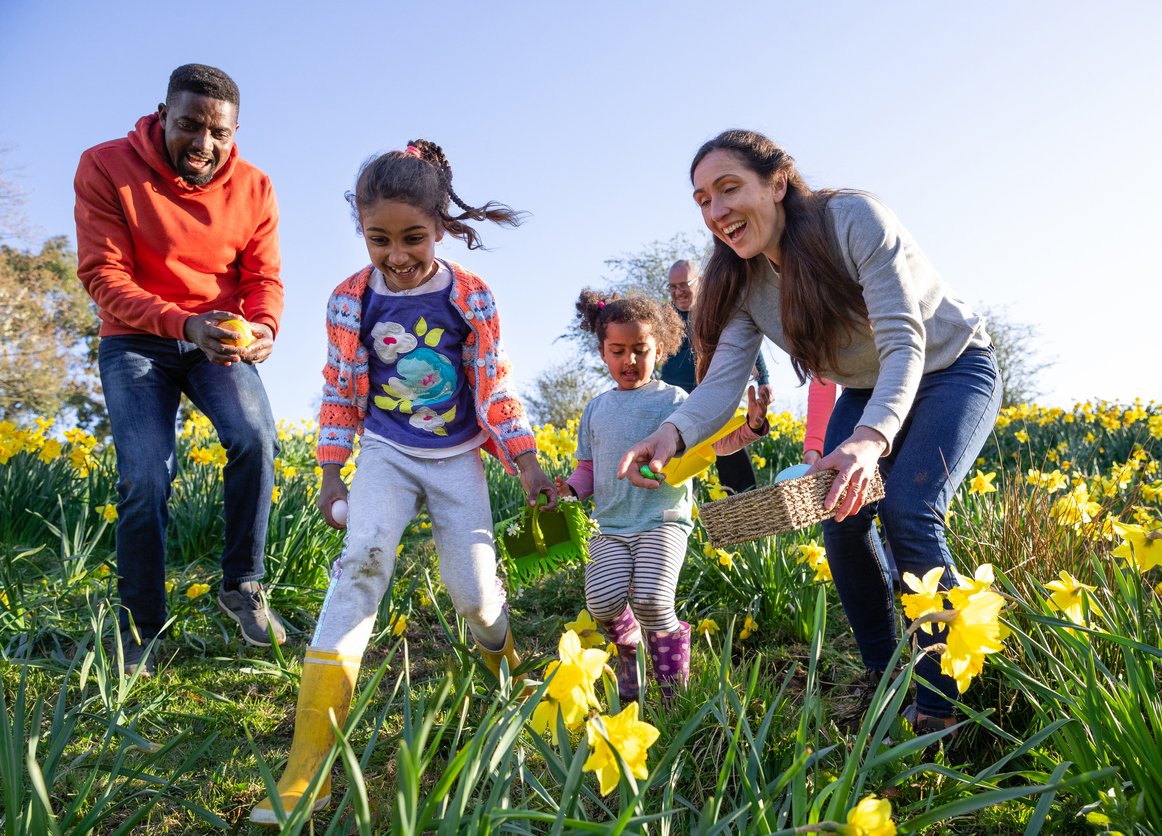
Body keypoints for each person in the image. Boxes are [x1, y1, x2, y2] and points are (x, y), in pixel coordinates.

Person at [618, 130, 1002, 735]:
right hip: (865, 389)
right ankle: (884, 677)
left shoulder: (853, 220)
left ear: (776, 182)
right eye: (702, 201)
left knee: (909, 509)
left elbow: (905, 342)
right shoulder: (741, 280)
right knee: (842, 521)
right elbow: (721, 387)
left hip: (950, 368)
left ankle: (942, 706)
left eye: (727, 189)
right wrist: (672, 434)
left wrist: (869, 440)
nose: (716, 212)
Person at [250, 139, 558, 825]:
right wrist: (333, 476)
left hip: (458, 457)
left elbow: (494, 383)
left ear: (441, 226)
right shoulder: (348, 302)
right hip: (386, 452)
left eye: (412, 237)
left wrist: (529, 462)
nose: (396, 254)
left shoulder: (471, 296)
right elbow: (338, 393)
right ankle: (307, 774)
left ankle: (502, 666)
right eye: (378, 238)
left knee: (474, 596)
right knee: (359, 565)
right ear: (361, 231)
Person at [74, 64, 285, 677]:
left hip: (218, 340)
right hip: (135, 341)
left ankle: (242, 585)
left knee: (255, 437)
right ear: (162, 114)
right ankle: (139, 625)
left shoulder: (255, 187)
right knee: (146, 474)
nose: (203, 144)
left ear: (235, 130)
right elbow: (103, 276)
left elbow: (263, 279)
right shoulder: (105, 166)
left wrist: (264, 327)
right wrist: (182, 323)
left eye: (218, 133)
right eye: (189, 126)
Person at [554, 289, 769, 703]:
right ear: (602, 352)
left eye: (640, 350)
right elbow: (587, 470)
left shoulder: (676, 401)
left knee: (652, 599)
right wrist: (569, 490)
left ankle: (673, 692)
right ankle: (628, 649)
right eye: (617, 351)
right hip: (609, 526)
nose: (629, 360)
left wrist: (751, 427)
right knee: (601, 601)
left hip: (662, 521)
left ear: (662, 349)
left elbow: (715, 445)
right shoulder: (595, 409)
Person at [659, 259, 772, 493]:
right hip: (675, 403)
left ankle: (744, 500)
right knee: (676, 458)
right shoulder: (663, 318)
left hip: (712, 397)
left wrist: (764, 380)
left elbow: (748, 342)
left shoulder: (716, 312)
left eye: (684, 284)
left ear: (699, 282)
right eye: (672, 287)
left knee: (728, 448)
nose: (678, 292)